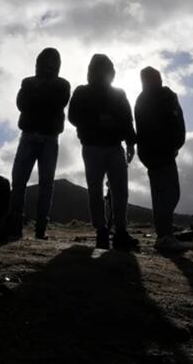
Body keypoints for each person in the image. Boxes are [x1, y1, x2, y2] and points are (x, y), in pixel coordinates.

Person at [0, 48, 71, 242]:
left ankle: (40, 229)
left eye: (52, 61)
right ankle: (15, 224)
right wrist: (43, 97)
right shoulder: (28, 82)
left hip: (48, 137)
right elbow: (21, 104)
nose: (48, 65)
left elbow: (57, 103)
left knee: (46, 184)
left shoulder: (61, 84)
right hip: (30, 135)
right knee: (19, 180)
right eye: (45, 61)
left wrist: (38, 96)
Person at [68, 54, 140, 250]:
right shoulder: (82, 92)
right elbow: (73, 116)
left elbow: (127, 119)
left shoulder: (118, 93)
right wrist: (98, 120)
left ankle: (119, 232)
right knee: (97, 190)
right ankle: (102, 231)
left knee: (119, 191)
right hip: (93, 147)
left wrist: (131, 142)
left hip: (114, 147)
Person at [135, 66, 187, 253]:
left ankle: (163, 234)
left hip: (150, 155)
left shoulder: (141, 99)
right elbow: (175, 123)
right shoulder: (165, 96)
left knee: (160, 195)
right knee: (170, 194)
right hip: (163, 154)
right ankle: (165, 235)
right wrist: (174, 146)